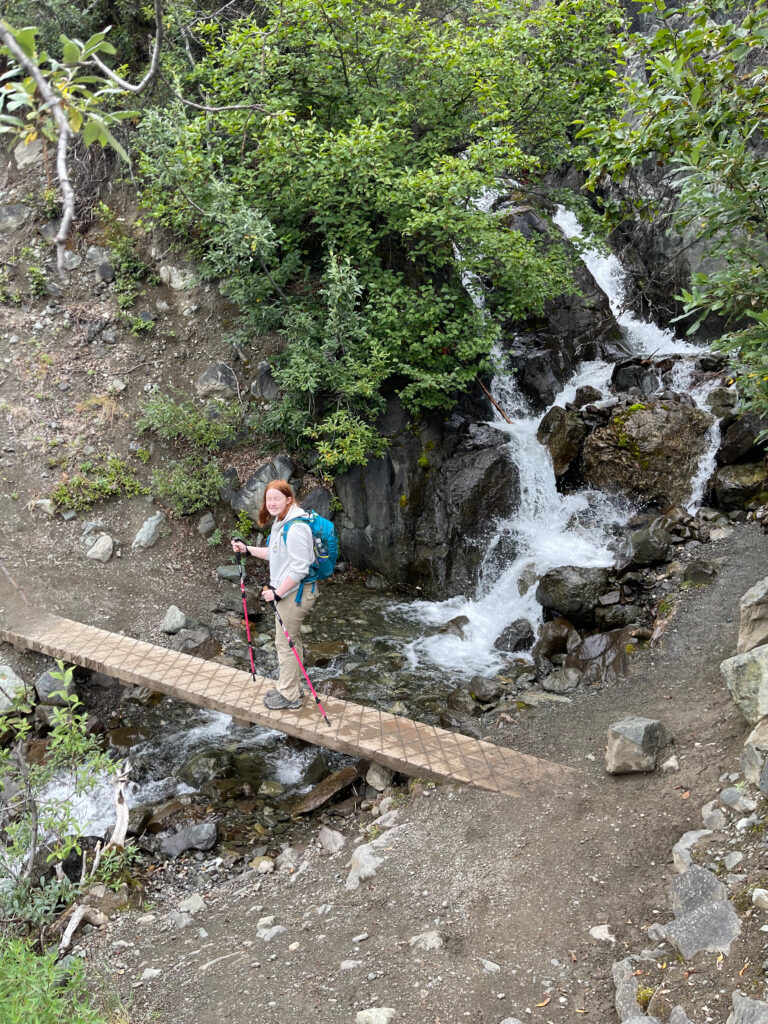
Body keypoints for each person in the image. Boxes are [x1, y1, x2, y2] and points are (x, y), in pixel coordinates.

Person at [231, 479, 317, 710]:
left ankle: (288, 696)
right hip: (290, 592)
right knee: (292, 641)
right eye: (269, 499)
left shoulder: (297, 526)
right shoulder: (283, 522)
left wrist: (277, 593)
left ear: (289, 499)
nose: (272, 503)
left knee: (284, 642)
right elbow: (274, 553)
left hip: (296, 593)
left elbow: (300, 569)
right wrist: (247, 549)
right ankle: (293, 687)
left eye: (277, 498)